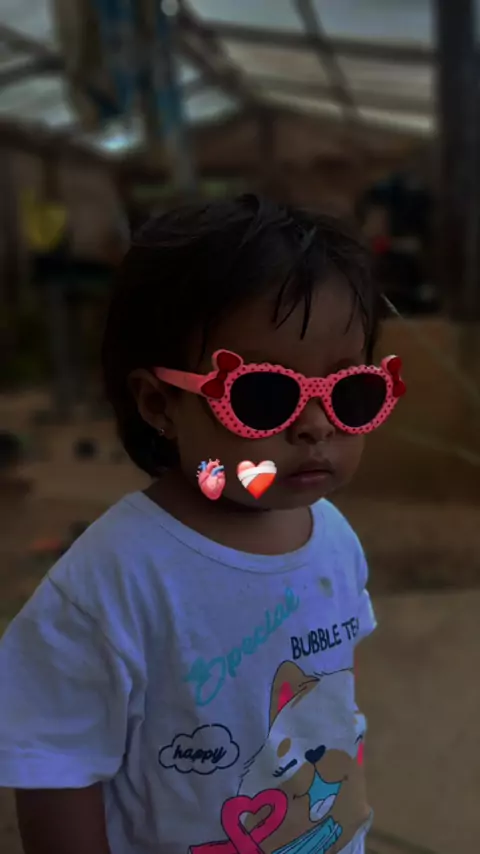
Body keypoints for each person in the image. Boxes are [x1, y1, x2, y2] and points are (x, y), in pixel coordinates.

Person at [0, 195, 405, 854]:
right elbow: (55, 766)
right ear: (159, 404)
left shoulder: (332, 537)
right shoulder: (113, 581)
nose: (315, 425)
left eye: (349, 392)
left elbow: (329, 700)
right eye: (265, 395)